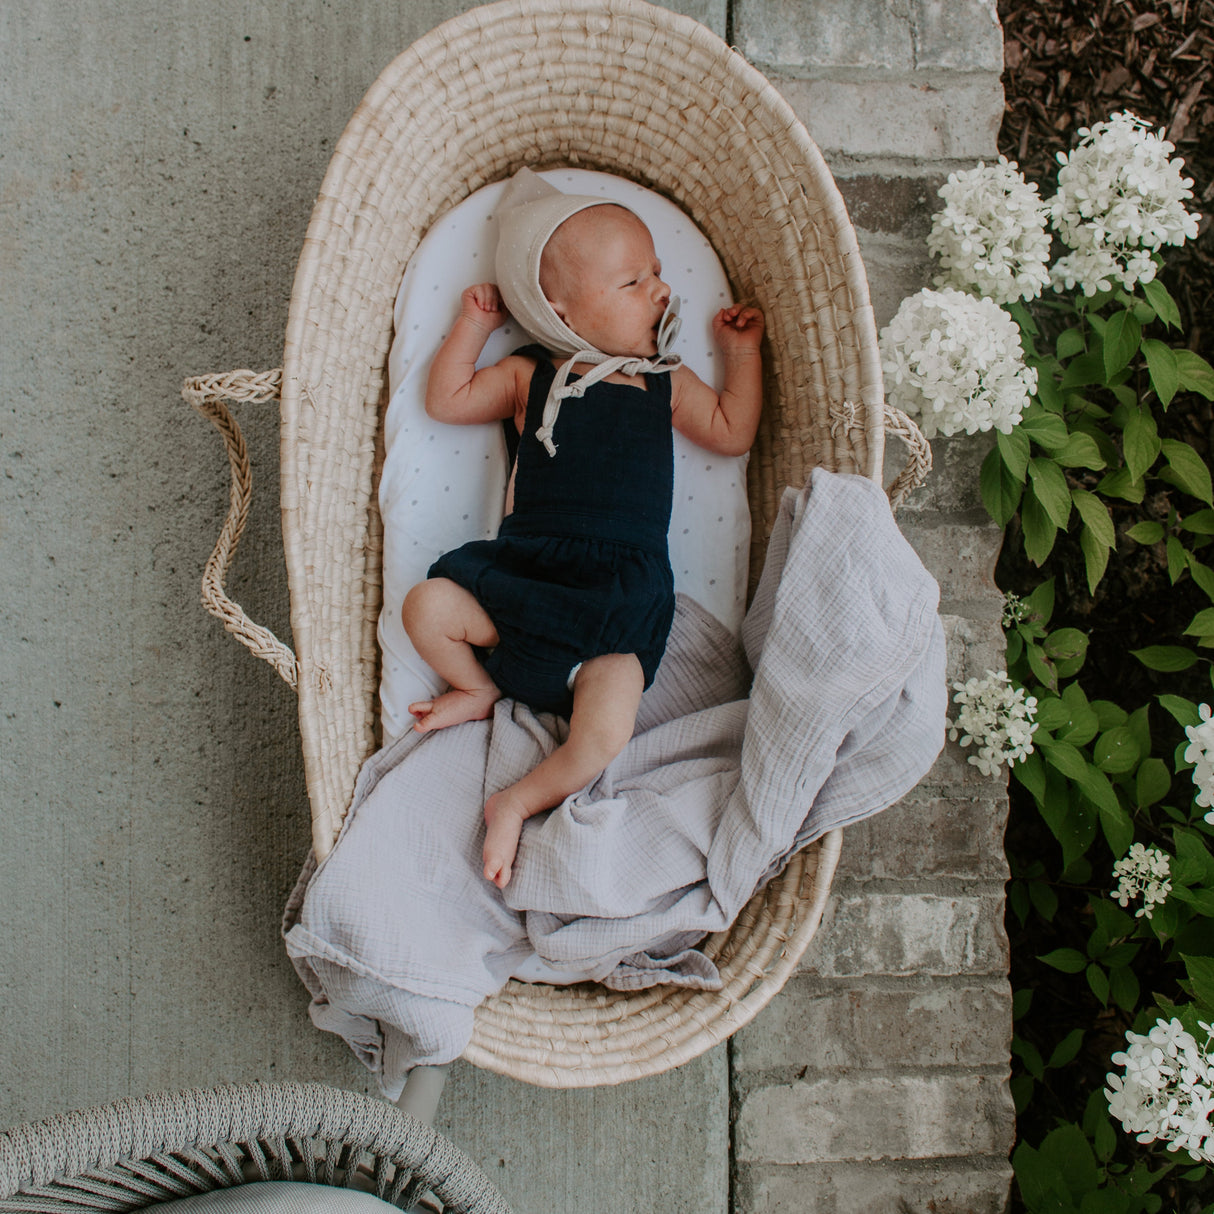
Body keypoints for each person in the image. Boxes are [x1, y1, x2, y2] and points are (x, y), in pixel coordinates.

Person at [402, 170, 764, 888]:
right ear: (557, 310)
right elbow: (446, 398)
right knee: (427, 606)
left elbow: (731, 431)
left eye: (658, 274)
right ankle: (476, 688)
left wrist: (741, 356)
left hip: (620, 598)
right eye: (633, 282)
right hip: (528, 576)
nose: (660, 290)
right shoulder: (529, 375)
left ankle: (518, 800)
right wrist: (472, 325)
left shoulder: (664, 381)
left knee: (605, 731)